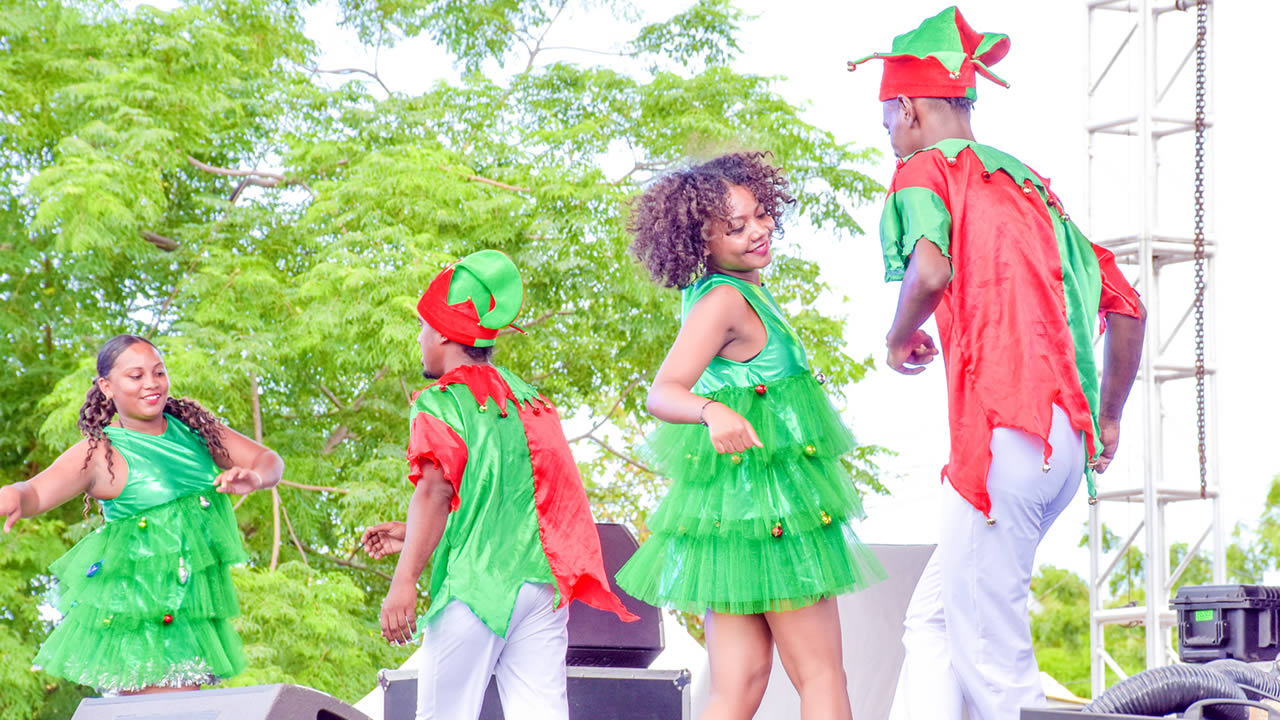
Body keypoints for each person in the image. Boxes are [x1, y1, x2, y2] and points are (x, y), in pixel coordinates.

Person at [848, 7, 1147, 720]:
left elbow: (928, 269)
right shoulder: (1036, 191)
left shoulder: (925, 169)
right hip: (1062, 449)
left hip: (1003, 440)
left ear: (910, 108)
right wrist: (1107, 416)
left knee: (994, 659)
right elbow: (1127, 305)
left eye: (885, 118)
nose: (887, 135)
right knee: (935, 622)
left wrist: (897, 339)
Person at [615, 152, 886, 720]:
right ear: (701, 243)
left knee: (736, 689)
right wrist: (712, 411)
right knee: (820, 677)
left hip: (733, 519)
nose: (758, 230)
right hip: (774, 512)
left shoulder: (735, 293)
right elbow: (663, 391)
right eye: (735, 227)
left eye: (761, 214)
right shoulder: (722, 299)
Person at [361, 249, 636, 720]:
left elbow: (434, 491)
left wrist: (404, 580)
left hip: (478, 587)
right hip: (541, 589)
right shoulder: (531, 402)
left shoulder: (443, 402)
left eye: (424, 328)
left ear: (445, 333)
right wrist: (412, 533)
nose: (421, 338)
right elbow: (518, 504)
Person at [0, 334, 284, 694]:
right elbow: (36, 491)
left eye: (158, 373)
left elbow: (269, 460)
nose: (151, 384)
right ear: (107, 386)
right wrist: (13, 494)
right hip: (144, 618)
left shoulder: (195, 432)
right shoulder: (100, 453)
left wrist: (255, 477)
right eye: (136, 376)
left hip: (190, 611)